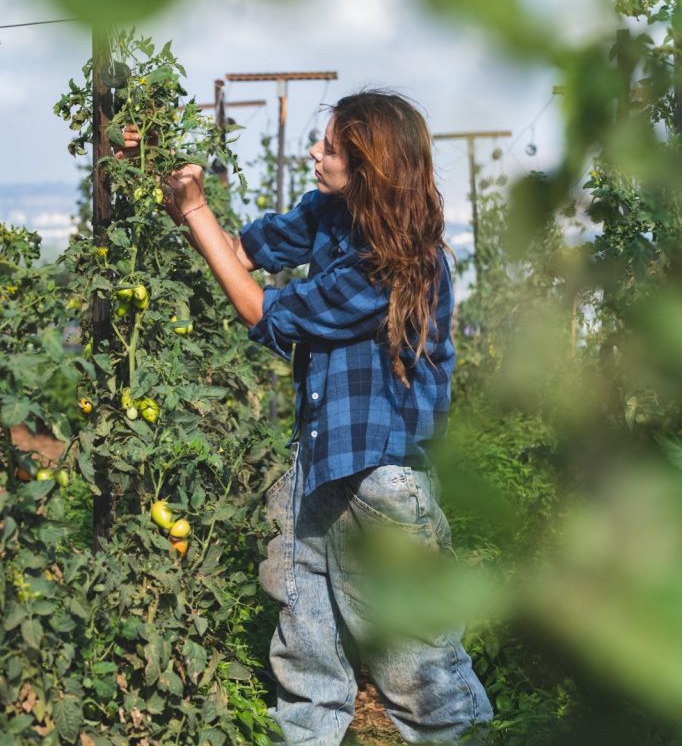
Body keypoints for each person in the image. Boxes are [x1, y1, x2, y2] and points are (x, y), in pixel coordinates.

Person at [122, 90, 492, 745]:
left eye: (329, 148)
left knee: (422, 675)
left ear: (370, 167)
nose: (315, 154)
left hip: (382, 479)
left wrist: (197, 208)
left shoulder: (397, 262)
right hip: (318, 464)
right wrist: (163, 173)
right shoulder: (329, 214)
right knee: (306, 654)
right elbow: (234, 254)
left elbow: (265, 312)